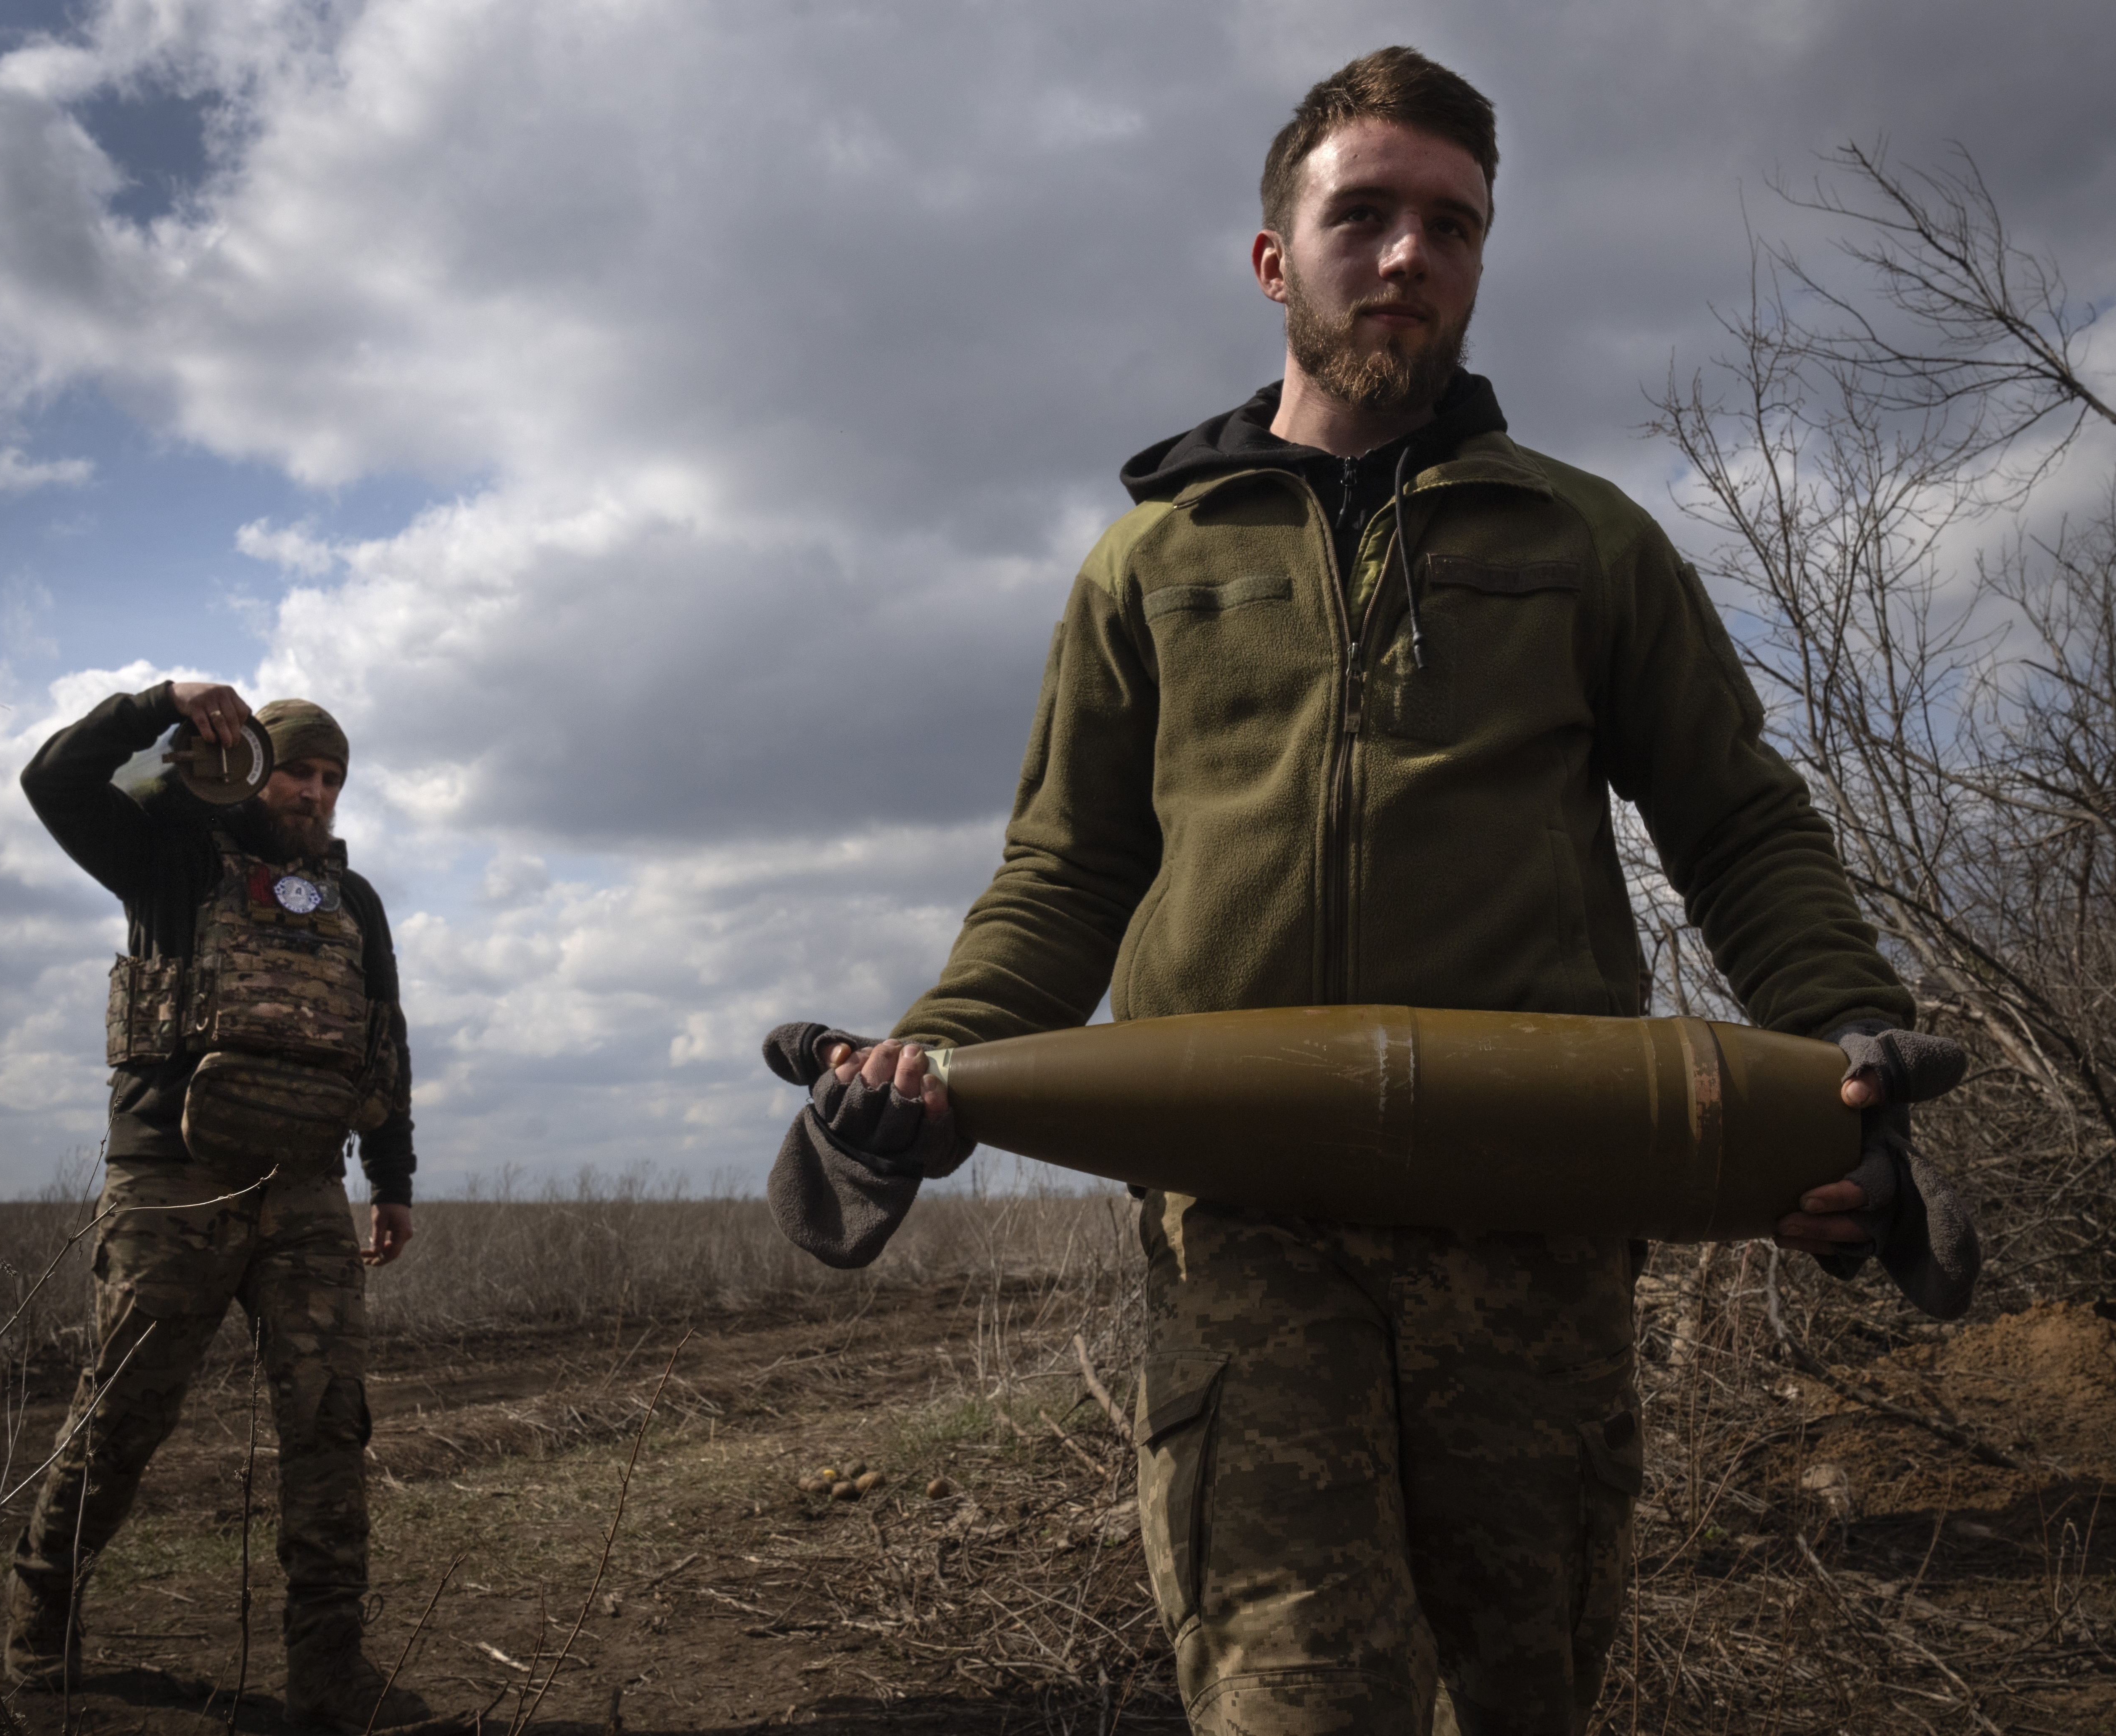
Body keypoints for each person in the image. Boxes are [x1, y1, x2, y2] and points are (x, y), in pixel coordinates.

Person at [760, 47, 1976, 1736]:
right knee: (1291, 1703)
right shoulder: (1148, 565)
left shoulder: (1588, 543)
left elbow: (1737, 821)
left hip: (1536, 1224)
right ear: (1278, 256)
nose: (1409, 254)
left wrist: (1847, 1042)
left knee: (1523, 1697)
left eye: (1452, 225)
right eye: (1366, 214)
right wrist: (927, 1064)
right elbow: (1064, 872)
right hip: (1245, 1234)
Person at [10, 680, 428, 1730]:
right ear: (255, 762)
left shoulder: (352, 898)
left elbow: (383, 1037)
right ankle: (40, 1618)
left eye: (334, 779)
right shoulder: (171, 851)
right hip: (171, 1180)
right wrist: (161, 705)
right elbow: (51, 778)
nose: (318, 792)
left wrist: (393, 1180)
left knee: (330, 1423)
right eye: (300, 769)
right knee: (123, 1414)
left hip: (305, 1186)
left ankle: (328, 1669)